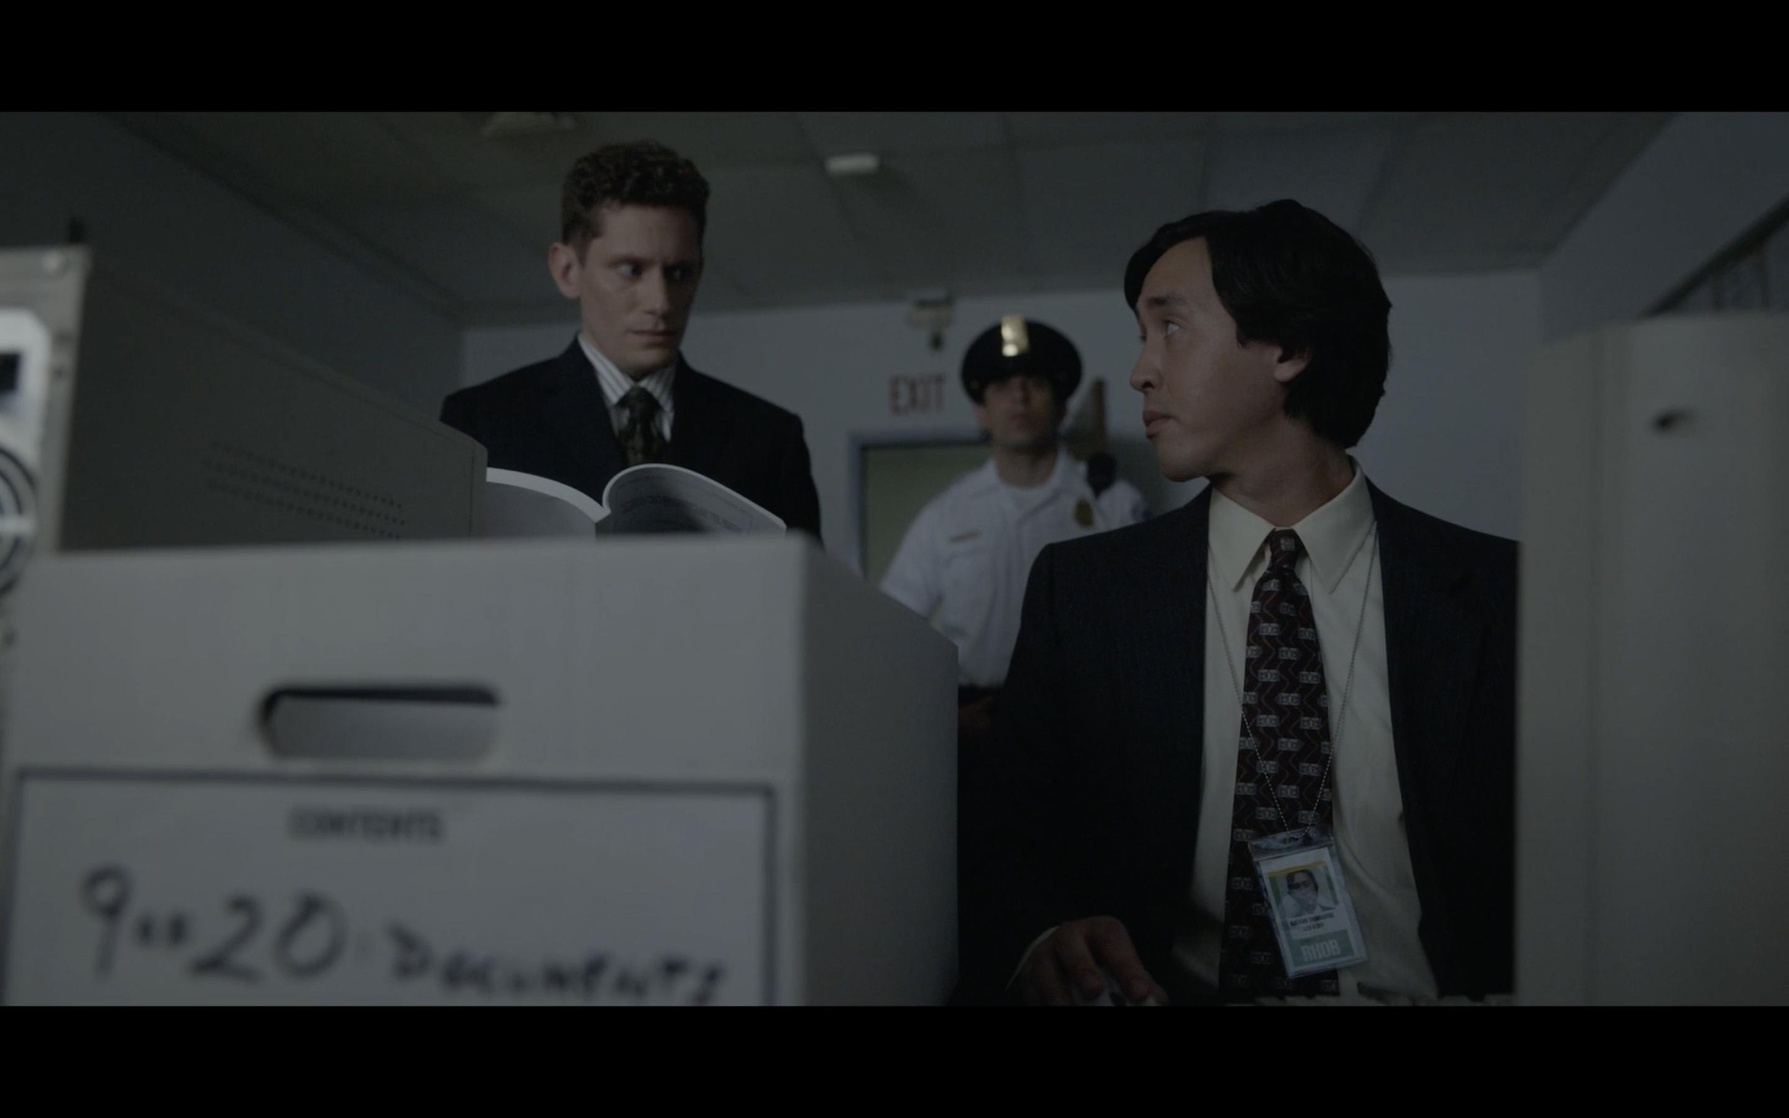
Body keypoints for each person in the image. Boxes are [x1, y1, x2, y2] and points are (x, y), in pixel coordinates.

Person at [956, 200, 1516, 1006]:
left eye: (1170, 327)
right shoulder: (1083, 596)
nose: (1140, 371)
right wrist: (1042, 936)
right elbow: (1005, 843)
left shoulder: (1498, 595)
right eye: (1141, 336)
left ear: (1286, 346)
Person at [440, 140, 822, 539]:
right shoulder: (481, 421)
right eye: (630, 270)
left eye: (679, 273)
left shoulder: (769, 438)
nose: (660, 302)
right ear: (567, 270)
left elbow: (808, 580)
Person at [879, 316, 1149, 737]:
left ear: (1061, 409)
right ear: (981, 413)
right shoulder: (946, 514)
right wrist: (940, 714)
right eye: (1003, 386)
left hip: (1088, 723)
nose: (1019, 396)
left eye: (1036, 384)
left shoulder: (1113, 503)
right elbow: (889, 628)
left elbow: (1146, 628)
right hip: (979, 722)